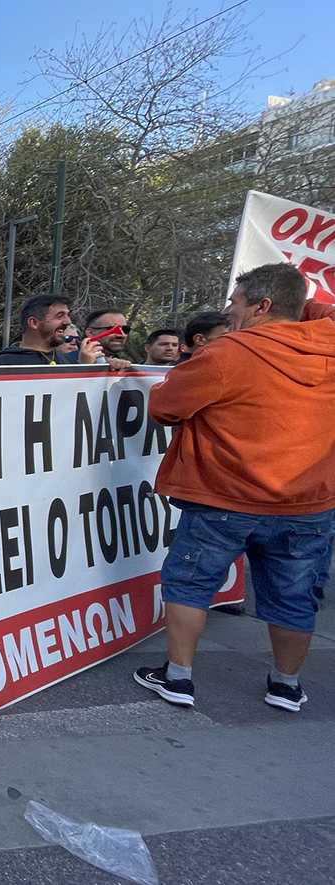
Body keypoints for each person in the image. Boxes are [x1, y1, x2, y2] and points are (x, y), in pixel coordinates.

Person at [134, 263, 335, 712]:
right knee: (295, 596)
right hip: (308, 504)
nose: (228, 311)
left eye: (235, 301)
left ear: (262, 306)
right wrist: (301, 306)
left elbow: (164, 408)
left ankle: (178, 677)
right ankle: (286, 685)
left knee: (189, 584)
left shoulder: (229, 352)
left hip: (224, 497)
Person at [0, 295, 101, 365]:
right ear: (34, 323)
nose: (68, 322)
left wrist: (84, 368)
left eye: (67, 315)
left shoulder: (68, 362)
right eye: (60, 316)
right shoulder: (2, 365)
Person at [65, 308, 133, 369]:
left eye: (125, 329)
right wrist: (84, 366)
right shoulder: (63, 361)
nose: (122, 335)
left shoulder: (124, 365)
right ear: (90, 333)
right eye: (111, 328)